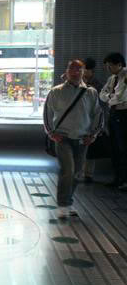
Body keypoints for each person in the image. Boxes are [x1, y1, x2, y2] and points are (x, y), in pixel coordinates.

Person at [44, 60, 103, 219]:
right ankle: (63, 204)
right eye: (72, 69)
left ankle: (68, 202)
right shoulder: (56, 92)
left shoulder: (91, 92)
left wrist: (93, 134)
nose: (75, 72)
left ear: (84, 72)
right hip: (62, 138)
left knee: (77, 173)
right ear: (67, 71)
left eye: (79, 69)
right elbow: (47, 114)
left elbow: (98, 114)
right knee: (67, 171)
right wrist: (51, 133)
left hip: (83, 139)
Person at [100, 52, 127, 189]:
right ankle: (117, 178)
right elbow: (102, 95)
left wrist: (109, 96)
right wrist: (111, 96)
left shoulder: (125, 76)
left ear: (119, 64)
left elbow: (121, 97)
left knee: (123, 147)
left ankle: (124, 179)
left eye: (110, 66)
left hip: (124, 114)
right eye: (107, 66)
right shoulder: (112, 78)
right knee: (114, 147)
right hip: (114, 113)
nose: (108, 69)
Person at [78, 57, 105, 182]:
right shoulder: (75, 81)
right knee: (78, 147)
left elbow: (100, 105)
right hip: (78, 119)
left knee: (90, 148)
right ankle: (78, 172)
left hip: (90, 119)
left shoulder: (96, 84)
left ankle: (88, 174)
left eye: (86, 70)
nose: (84, 72)